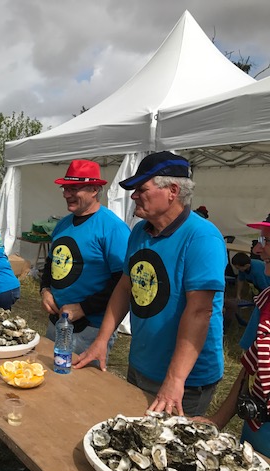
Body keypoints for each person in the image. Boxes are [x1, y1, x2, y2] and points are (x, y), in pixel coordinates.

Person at [74, 151, 226, 417]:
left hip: (185, 380)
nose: (133, 196)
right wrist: (101, 340)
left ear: (172, 191)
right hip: (142, 363)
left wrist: (176, 379)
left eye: (141, 189)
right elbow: (125, 287)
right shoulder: (139, 232)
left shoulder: (202, 237)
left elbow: (200, 311)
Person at [193, 215, 270, 457]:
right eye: (260, 240)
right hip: (257, 431)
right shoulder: (266, 302)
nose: (258, 249)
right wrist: (217, 420)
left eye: (266, 241)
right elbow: (249, 369)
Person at [39, 160, 130, 357]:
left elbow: (123, 282)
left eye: (74, 188)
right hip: (56, 322)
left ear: (95, 189)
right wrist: (45, 290)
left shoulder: (113, 228)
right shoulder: (62, 224)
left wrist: (83, 308)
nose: (66, 194)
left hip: (90, 329)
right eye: (65, 188)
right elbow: (50, 263)